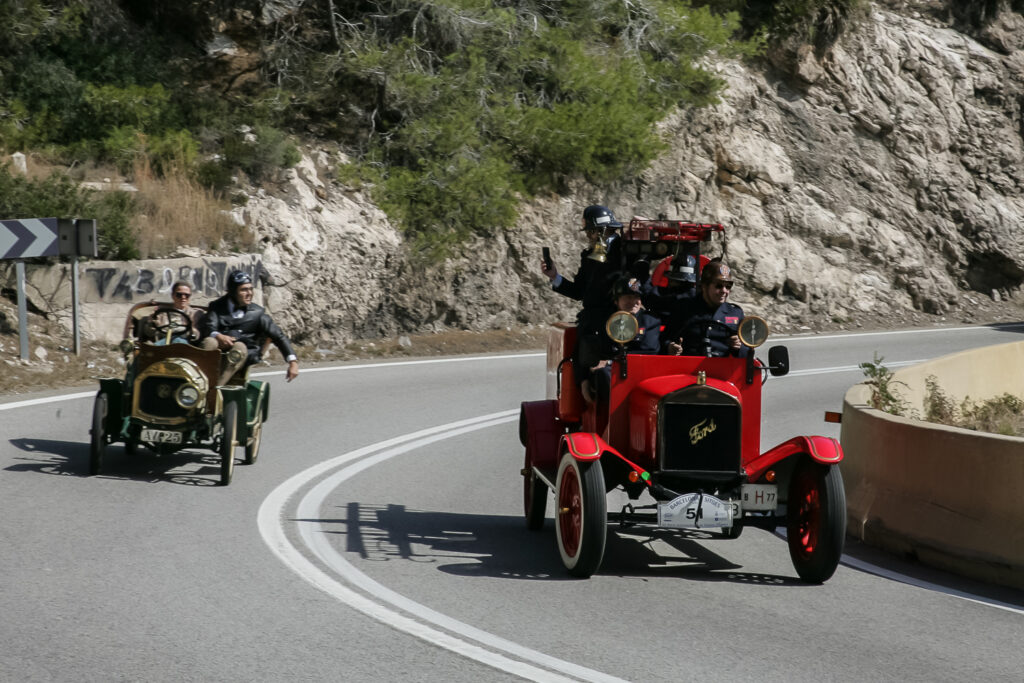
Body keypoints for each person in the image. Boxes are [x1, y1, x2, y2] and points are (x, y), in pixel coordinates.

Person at [200, 270, 299, 385]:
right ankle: (199, 382)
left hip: (242, 354)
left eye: (250, 289)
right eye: (244, 290)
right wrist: (219, 336)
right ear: (232, 292)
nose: (249, 293)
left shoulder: (257, 313)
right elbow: (209, 327)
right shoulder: (217, 306)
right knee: (209, 341)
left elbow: (278, 336)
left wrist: (293, 362)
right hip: (218, 350)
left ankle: (213, 389)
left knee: (239, 347)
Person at [579, 276, 662, 404]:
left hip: (639, 374)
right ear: (616, 301)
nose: (633, 301)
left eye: (636, 297)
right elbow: (587, 350)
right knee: (602, 374)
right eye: (628, 297)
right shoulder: (603, 321)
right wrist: (583, 379)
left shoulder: (650, 321)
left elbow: (649, 351)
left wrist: (611, 362)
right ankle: (613, 420)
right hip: (608, 376)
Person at [663, 261, 745, 357]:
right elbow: (665, 339)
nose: (724, 291)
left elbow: (747, 352)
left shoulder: (735, 313)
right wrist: (670, 347)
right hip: (688, 367)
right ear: (704, 286)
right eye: (718, 286)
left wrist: (738, 346)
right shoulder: (684, 308)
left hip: (723, 368)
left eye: (728, 286)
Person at [148, 280, 203, 345]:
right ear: (173, 295)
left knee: (178, 340)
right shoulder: (162, 312)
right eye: (179, 295)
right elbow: (149, 332)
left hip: (184, 342)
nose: (183, 297)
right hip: (164, 339)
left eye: (186, 295)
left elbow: (197, 336)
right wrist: (152, 323)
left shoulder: (195, 314)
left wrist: (192, 329)